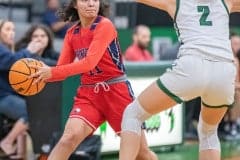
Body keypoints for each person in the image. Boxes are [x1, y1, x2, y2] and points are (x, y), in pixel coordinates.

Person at [30, 0, 157, 160]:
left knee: (142, 153)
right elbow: (61, 71)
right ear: (75, 5)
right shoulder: (72, 34)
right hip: (89, 94)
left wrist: (52, 72)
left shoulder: (105, 25)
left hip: (117, 91)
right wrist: (40, 74)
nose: (91, 3)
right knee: (68, 139)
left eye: (95, 0)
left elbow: (89, 63)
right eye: (85, 0)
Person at [119, 0, 240, 160]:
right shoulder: (226, 2)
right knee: (209, 131)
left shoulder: (177, 2)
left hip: (193, 65)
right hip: (224, 70)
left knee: (132, 114)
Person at [0, 20, 44, 159]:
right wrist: (28, 51)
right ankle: (7, 142)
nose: (12, 32)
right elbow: (13, 63)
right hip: (3, 97)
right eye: (7, 29)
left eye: (13, 29)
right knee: (33, 112)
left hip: (8, 96)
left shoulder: (8, 49)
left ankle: (20, 152)